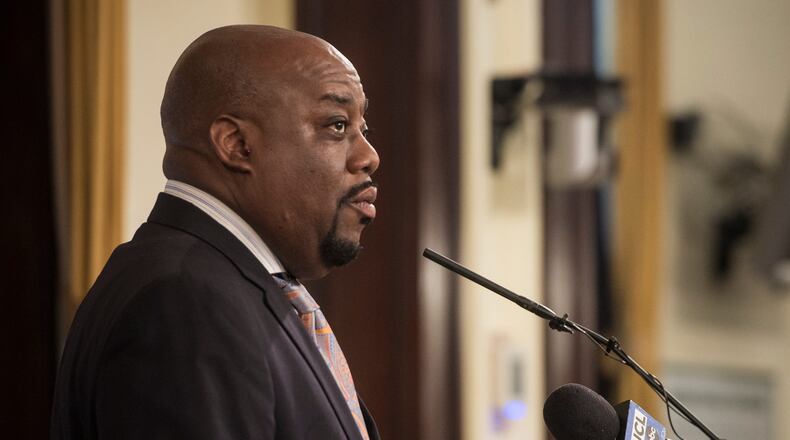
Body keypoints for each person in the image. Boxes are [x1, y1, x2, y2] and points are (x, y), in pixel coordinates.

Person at [51, 25, 380, 440]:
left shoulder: (229, 283)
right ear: (237, 144)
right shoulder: (184, 299)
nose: (369, 156)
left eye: (361, 129)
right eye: (336, 125)